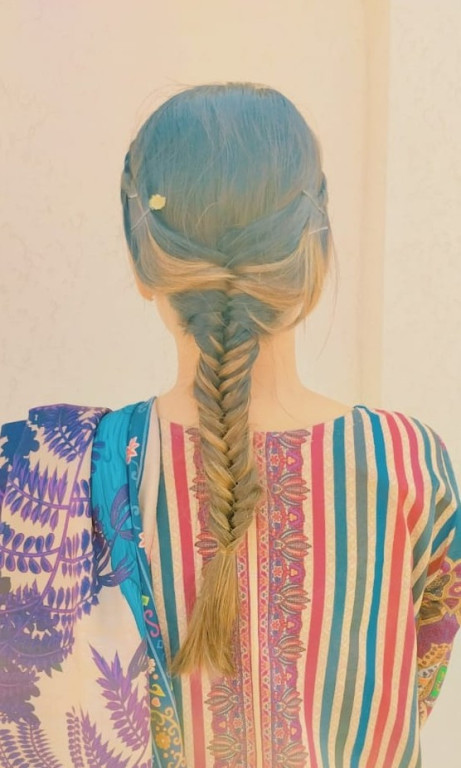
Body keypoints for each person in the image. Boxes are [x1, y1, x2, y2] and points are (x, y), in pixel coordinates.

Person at [1, 82, 460, 768]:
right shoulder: (408, 465)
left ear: (144, 265)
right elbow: (413, 685)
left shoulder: (35, 475)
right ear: (314, 258)